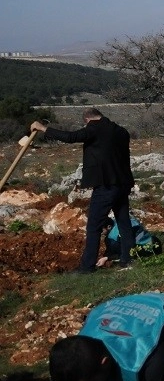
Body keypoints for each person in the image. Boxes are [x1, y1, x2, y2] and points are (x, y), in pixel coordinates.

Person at [32, 108, 135, 274]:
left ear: (87, 119)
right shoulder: (121, 131)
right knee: (124, 222)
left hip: (105, 185)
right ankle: (128, 259)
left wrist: (44, 129)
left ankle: (87, 267)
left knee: (94, 226)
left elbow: (71, 137)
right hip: (123, 183)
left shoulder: (94, 128)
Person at [97, 214, 162, 267]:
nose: (100, 232)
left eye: (101, 230)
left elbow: (124, 252)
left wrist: (106, 258)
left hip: (146, 251)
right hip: (155, 243)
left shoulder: (114, 236)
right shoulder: (121, 223)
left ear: (109, 227)